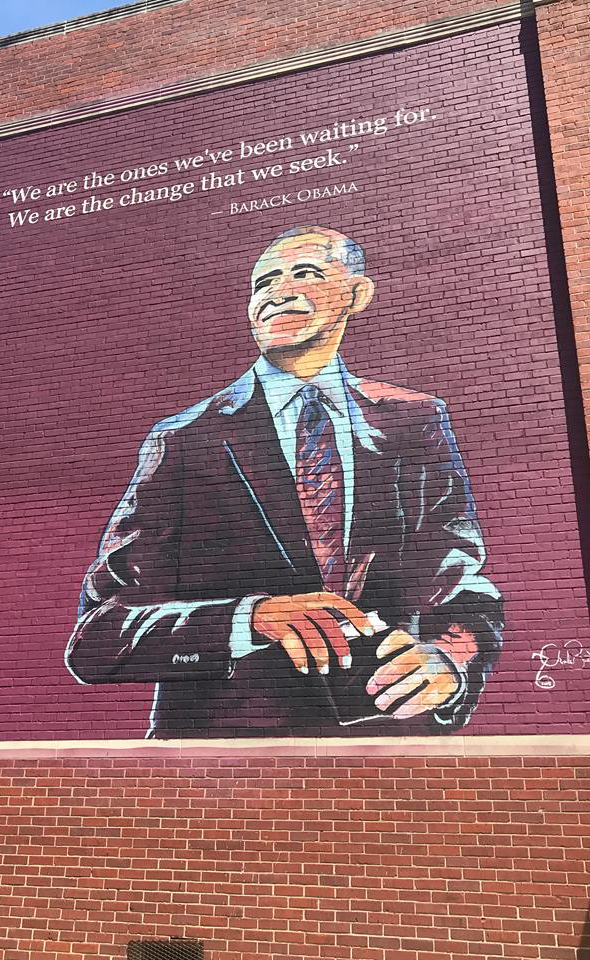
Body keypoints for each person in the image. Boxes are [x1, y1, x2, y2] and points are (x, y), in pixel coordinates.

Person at [66, 226, 503, 738]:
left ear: (359, 294)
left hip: (395, 745)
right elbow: (98, 637)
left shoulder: (415, 420)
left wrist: (448, 661)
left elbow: (465, 587)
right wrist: (248, 619)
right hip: (223, 755)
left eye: (306, 273)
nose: (278, 291)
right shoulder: (186, 440)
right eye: (263, 282)